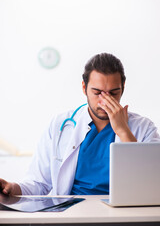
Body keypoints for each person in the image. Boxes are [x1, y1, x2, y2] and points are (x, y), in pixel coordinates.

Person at [0, 53, 160, 196]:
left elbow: (151, 183)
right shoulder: (59, 125)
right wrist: (12, 188)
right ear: (84, 88)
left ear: (123, 88)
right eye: (97, 93)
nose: (104, 101)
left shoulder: (144, 128)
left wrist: (124, 132)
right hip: (72, 212)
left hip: (124, 213)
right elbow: (39, 183)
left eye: (113, 93)